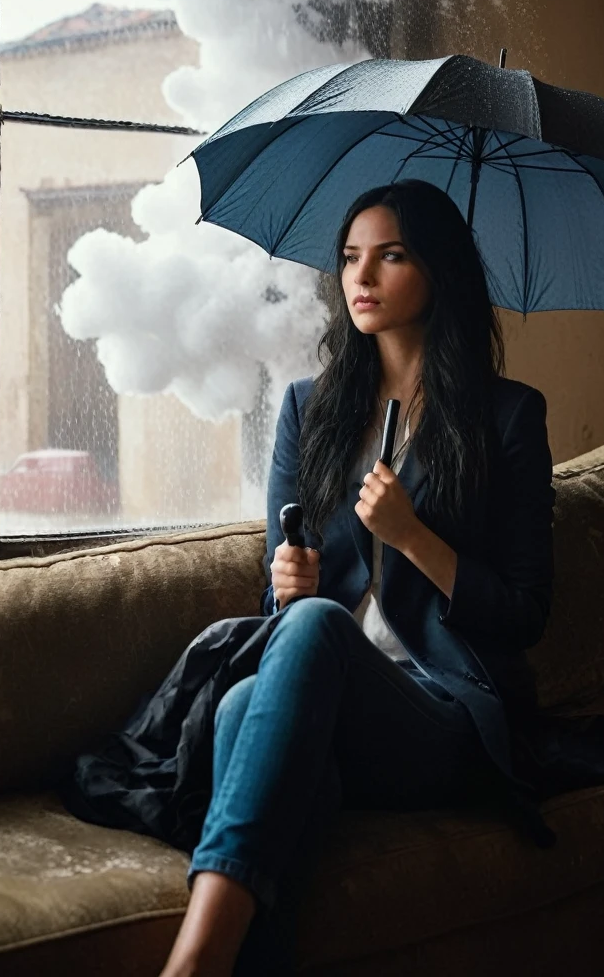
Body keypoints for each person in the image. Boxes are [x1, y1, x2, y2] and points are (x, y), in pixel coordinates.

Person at [158, 175, 570, 977]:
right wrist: (288, 586)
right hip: (330, 698)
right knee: (250, 694)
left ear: (438, 272)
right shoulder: (309, 410)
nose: (361, 278)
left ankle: (194, 963)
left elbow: (526, 613)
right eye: (350, 258)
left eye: (390, 257)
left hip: (445, 714)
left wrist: (413, 537)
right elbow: (284, 612)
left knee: (295, 656)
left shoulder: (509, 417)